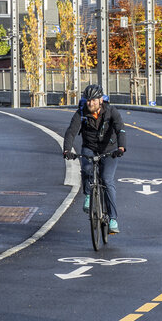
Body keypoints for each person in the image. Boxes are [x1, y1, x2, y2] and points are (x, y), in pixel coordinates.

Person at [62, 83, 126, 233]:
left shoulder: (111, 111)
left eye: (94, 100)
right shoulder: (82, 112)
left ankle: (113, 219)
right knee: (86, 168)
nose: (91, 103)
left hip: (109, 150)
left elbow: (120, 128)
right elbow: (71, 132)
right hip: (89, 147)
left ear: (101, 100)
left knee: (107, 179)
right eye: (88, 100)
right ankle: (88, 195)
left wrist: (121, 148)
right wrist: (67, 149)